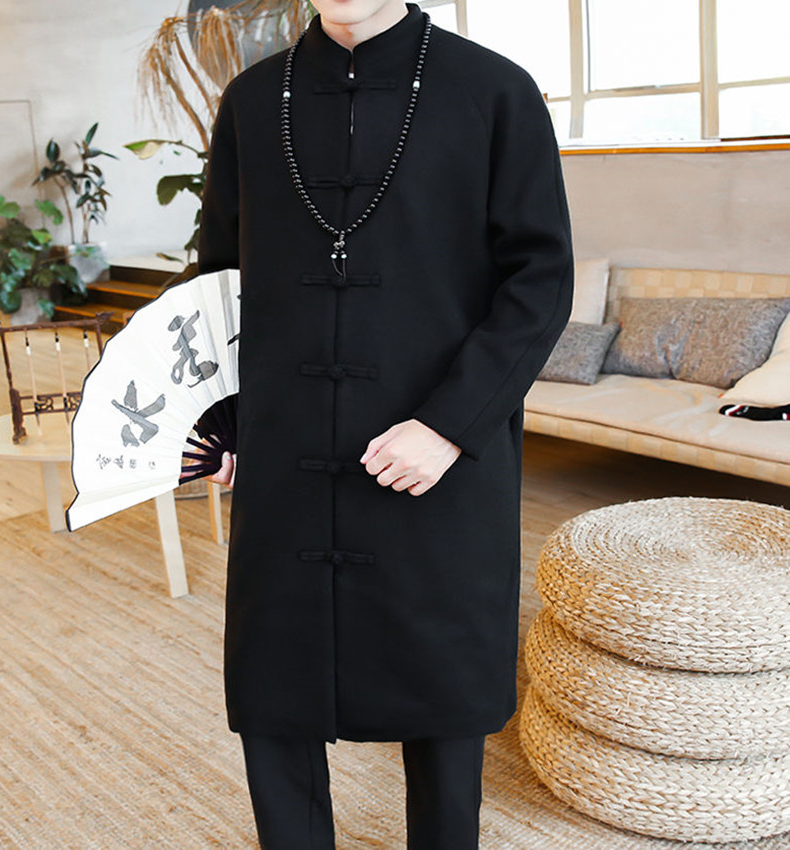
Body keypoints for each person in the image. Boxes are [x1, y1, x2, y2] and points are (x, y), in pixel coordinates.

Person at [196, 1, 574, 847]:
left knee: (441, 687)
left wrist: (448, 426)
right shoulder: (253, 100)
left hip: (439, 451)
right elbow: (218, 277)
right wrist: (220, 417)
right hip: (285, 447)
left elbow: (540, 280)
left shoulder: (494, 90)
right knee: (276, 683)